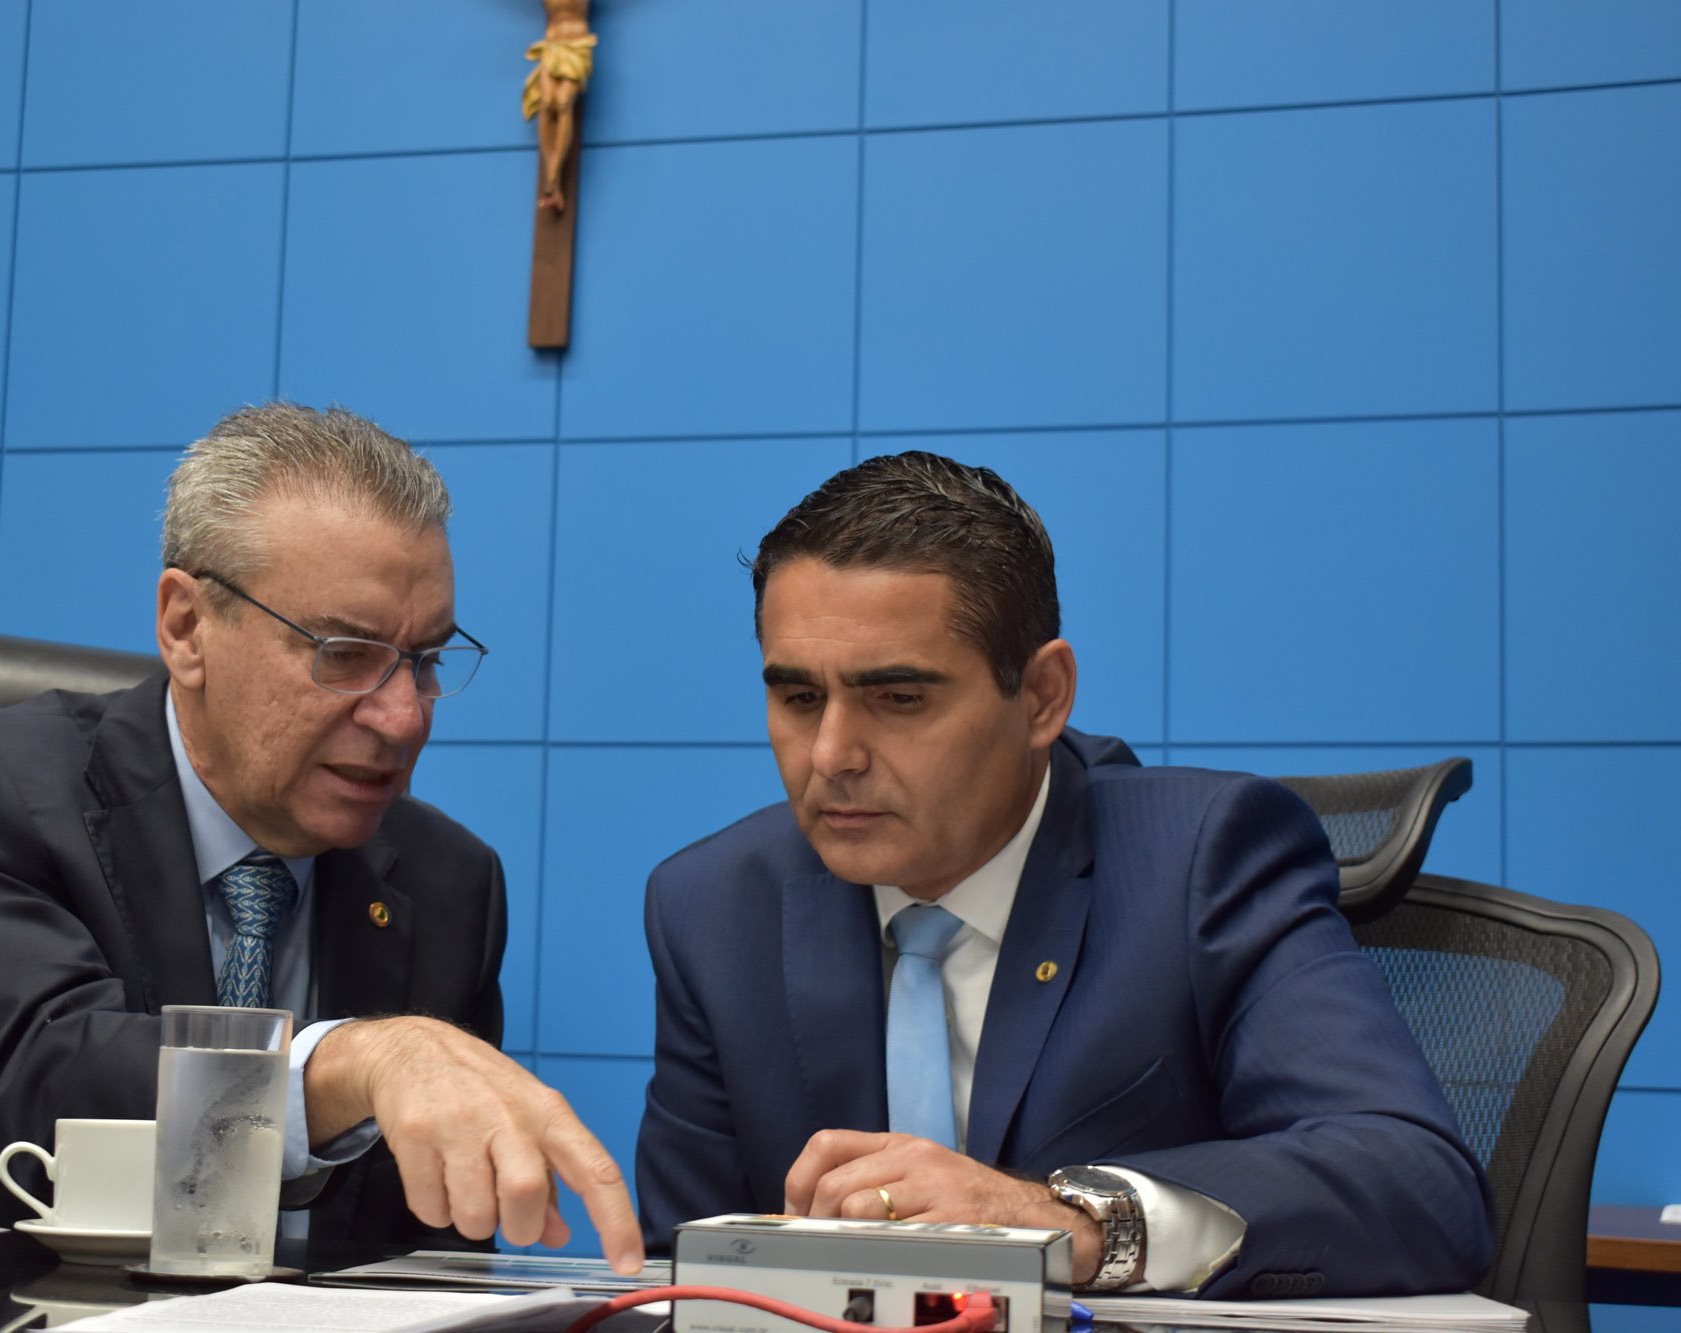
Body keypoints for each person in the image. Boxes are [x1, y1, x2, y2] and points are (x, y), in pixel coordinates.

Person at [635, 452, 1493, 1297]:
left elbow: (1415, 1183)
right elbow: (685, 1277)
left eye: (899, 698)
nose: (832, 755)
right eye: (799, 699)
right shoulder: (713, 908)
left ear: (1043, 695)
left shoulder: (1200, 861)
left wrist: (1065, 1217)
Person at [0, 403, 641, 1274]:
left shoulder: (449, 881)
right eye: (344, 653)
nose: (404, 718)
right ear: (187, 627)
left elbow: (430, 1248)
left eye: (425, 660)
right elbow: (48, 1079)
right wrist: (345, 1062)